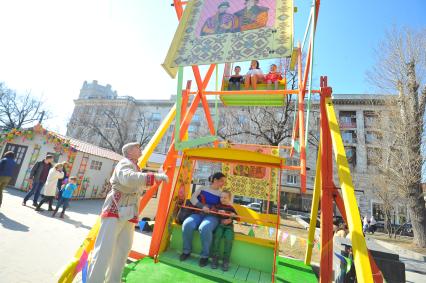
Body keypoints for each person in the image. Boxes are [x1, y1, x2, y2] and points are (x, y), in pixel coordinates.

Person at [86, 142, 168, 283]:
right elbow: (128, 179)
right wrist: (154, 177)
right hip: (115, 210)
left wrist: (155, 178)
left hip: (127, 212)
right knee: (105, 249)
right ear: (129, 151)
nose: (140, 149)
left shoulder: (134, 166)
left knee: (122, 249)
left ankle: (113, 280)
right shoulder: (124, 163)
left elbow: (135, 183)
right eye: (137, 147)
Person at [180, 172, 226, 267]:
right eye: (222, 181)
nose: (223, 183)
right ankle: (186, 251)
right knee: (187, 224)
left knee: (205, 227)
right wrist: (202, 206)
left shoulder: (221, 193)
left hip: (212, 216)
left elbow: (225, 205)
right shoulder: (203, 188)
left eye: (224, 182)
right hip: (198, 213)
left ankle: (204, 256)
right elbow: (193, 198)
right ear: (215, 180)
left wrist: (218, 210)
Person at [211, 190, 238, 271]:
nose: (222, 199)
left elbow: (238, 217)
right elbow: (212, 210)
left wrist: (232, 217)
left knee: (229, 239)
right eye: (221, 197)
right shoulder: (218, 206)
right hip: (220, 225)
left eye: (225, 198)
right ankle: (215, 258)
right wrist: (218, 212)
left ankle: (226, 260)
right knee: (217, 237)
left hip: (229, 227)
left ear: (229, 199)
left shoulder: (231, 208)